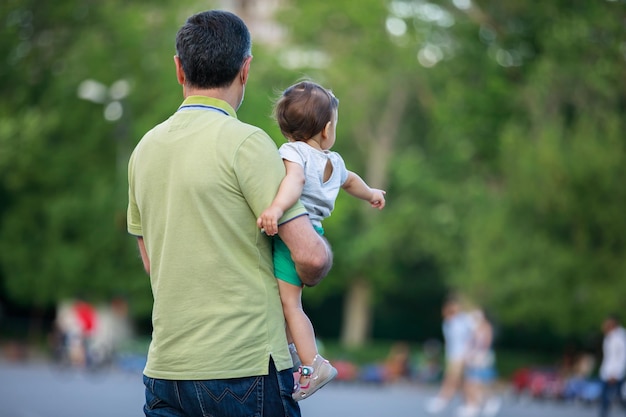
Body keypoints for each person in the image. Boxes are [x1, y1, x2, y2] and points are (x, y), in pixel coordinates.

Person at [127, 10, 332, 417]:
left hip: (166, 372)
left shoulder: (143, 150)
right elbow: (309, 256)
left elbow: (152, 262)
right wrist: (316, 262)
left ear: (178, 69)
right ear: (246, 68)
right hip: (245, 369)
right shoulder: (248, 143)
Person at [256, 80, 386, 400]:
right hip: (316, 231)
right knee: (289, 302)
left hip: (293, 234)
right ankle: (289, 354)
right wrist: (372, 194)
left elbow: (295, 180)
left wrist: (276, 207)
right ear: (327, 130)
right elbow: (352, 181)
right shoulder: (334, 161)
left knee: (290, 304)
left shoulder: (293, 152)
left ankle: (312, 363)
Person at [426, 296, 474, 414]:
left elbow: (472, 337)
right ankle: (470, 403)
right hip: (453, 354)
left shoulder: (465, 320)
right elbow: (449, 341)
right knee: (462, 380)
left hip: (463, 354)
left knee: (452, 378)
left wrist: (469, 353)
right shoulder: (447, 323)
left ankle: (443, 399)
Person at [458, 309, 501, 417]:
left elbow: (486, 343)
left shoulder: (486, 327)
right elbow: (470, 342)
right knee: (471, 381)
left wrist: (478, 354)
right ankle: (472, 405)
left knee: (483, 382)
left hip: (482, 358)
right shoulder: (473, 329)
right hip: (474, 357)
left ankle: (489, 401)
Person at [599, 314, 626, 417]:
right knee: (607, 399)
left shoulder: (620, 337)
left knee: (618, 398)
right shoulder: (609, 336)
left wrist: (616, 372)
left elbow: (623, 356)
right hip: (606, 372)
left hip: (615, 373)